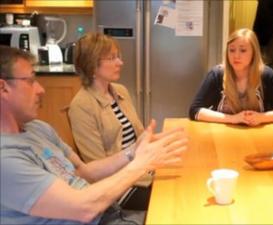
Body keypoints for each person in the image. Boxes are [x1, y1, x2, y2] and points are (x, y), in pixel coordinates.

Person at [0, 45, 187, 224]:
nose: (41, 89)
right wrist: (140, 164)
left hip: (111, 213)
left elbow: (84, 172)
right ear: (3, 88)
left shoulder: (37, 128)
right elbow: (84, 208)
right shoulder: (6, 159)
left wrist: (134, 151)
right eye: (31, 81)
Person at [189, 28, 273, 126]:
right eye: (232, 50)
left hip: (258, 135)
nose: (236, 56)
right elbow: (195, 110)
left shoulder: (268, 76)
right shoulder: (216, 74)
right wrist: (233, 119)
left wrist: (261, 117)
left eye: (243, 50)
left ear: (254, 53)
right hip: (223, 134)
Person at [69, 32, 144, 163]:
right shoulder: (81, 106)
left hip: (141, 165)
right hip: (123, 177)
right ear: (91, 65)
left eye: (118, 57)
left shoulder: (121, 91)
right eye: (112, 58)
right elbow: (96, 165)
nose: (120, 62)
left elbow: (139, 136)